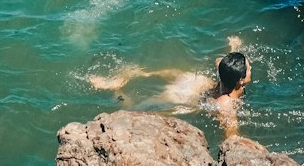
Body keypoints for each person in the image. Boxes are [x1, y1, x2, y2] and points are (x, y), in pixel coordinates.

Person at [87, 42, 253, 137]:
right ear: (240, 80)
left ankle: (141, 72)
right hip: (183, 97)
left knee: (170, 77)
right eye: (249, 67)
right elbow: (232, 136)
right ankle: (116, 90)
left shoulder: (225, 74)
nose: (251, 68)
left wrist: (234, 48)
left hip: (193, 81)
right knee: (133, 112)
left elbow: (220, 62)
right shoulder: (226, 103)